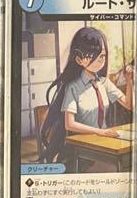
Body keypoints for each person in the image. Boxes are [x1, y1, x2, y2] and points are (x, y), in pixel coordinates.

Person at [38, 27, 132, 166]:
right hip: (80, 150)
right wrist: (100, 132)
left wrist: (129, 81)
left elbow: (129, 105)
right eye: (91, 56)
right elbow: (69, 124)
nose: (99, 60)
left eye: (102, 55)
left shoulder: (104, 83)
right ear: (79, 59)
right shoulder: (73, 87)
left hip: (104, 144)